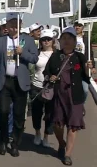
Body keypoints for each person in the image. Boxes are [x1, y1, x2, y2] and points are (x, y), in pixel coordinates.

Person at [0, 12, 38, 157]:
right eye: (11, 24)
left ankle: (15, 143)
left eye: (17, 25)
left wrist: (23, 54)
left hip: (20, 82)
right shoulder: (0, 41)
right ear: (7, 26)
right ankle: (3, 141)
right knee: (3, 112)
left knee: (19, 115)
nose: (14, 28)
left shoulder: (27, 40)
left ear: (20, 25)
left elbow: (35, 58)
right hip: (5, 81)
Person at [43, 27, 93, 166]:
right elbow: (47, 72)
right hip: (59, 95)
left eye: (70, 38)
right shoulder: (55, 56)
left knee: (73, 126)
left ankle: (68, 154)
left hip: (75, 96)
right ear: (60, 40)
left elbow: (87, 75)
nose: (67, 41)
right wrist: (50, 77)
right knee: (58, 125)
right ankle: (61, 143)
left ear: (75, 41)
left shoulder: (80, 57)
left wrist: (90, 67)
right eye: (64, 38)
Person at [30, 29, 55, 147]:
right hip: (37, 86)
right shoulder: (36, 53)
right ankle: (37, 133)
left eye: (48, 39)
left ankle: (46, 136)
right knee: (36, 112)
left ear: (52, 40)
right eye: (44, 39)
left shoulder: (57, 54)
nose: (46, 42)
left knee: (50, 113)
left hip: (51, 88)